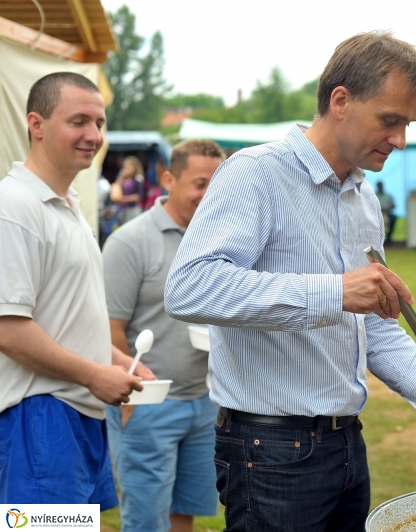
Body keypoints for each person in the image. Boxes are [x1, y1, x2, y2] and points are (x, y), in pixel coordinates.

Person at [164, 31, 416, 532]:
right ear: (340, 100)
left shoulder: (363, 198)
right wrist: (335, 290)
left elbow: (378, 329)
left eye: (407, 123)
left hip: (346, 445)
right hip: (269, 450)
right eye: (391, 120)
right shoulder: (255, 173)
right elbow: (188, 286)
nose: (401, 140)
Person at [0, 72, 153, 507]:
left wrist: (118, 361)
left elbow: (62, 318)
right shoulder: (14, 206)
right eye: (79, 121)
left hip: (72, 414)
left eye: (100, 123)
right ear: (37, 124)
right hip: (37, 417)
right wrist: (92, 375)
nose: (94, 135)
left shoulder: (67, 205)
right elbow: (8, 330)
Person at [102, 139, 226, 532]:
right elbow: (110, 329)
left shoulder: (221, 241)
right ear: (168, 179)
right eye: (200, 183)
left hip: (205, 401)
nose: (209, 195)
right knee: (145, 519)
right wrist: (129, 406)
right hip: (148, 405)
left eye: (218, 184)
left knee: (183, 511)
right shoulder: (129, 241)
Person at [110, 155, 145, 225]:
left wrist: (123, 199)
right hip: (122, 210)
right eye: (125, 167)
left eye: (129, 167)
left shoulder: (138, 179)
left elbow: (138, 196)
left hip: (132, 210)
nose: (127, 169)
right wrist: (121, 176)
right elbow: (115, 188)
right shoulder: (122, 179)